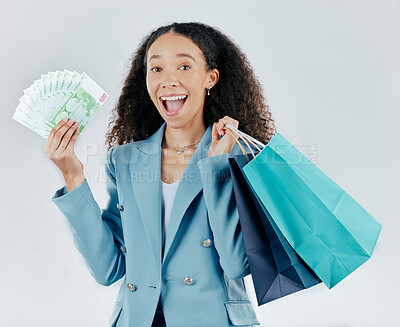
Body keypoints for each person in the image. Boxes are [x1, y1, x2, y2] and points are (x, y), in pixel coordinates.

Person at [45, 22, 276, 327]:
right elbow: (107, 268)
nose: (168, 81)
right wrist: (72, 175)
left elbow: (236, 265)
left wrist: (217, 167)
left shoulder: (237, 154)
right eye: (156, 69)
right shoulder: (124, 160)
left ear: (211, 77)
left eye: (183, 66)